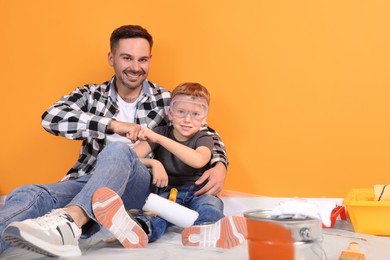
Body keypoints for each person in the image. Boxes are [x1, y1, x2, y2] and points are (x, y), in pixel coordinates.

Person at [0, 25, 228, 257]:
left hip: (140, 186)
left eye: (143, 59)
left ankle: (71, 222)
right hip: (92, 181)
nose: (136, 67)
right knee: (28, 194)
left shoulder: (165, 100)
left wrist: (220, 165)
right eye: (127, 58)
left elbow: (206, 133)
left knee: (118, 150)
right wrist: (111, 124)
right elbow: (51, 118)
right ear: (112, 58)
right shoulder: (91, 95)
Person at [91, 82, 247, 249]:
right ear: (171, 113)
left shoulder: (204, 138)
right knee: (155, 216)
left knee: (210, 205)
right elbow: (129, 159)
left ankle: (205, 232)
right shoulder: (160, 132)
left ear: (204, 118)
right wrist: (153, 162)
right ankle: (137, 230)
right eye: (181, 112)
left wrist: (158, 140)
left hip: (198, 192)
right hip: (166, 193)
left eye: (196, 114)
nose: (188, 119)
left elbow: (198, 160)